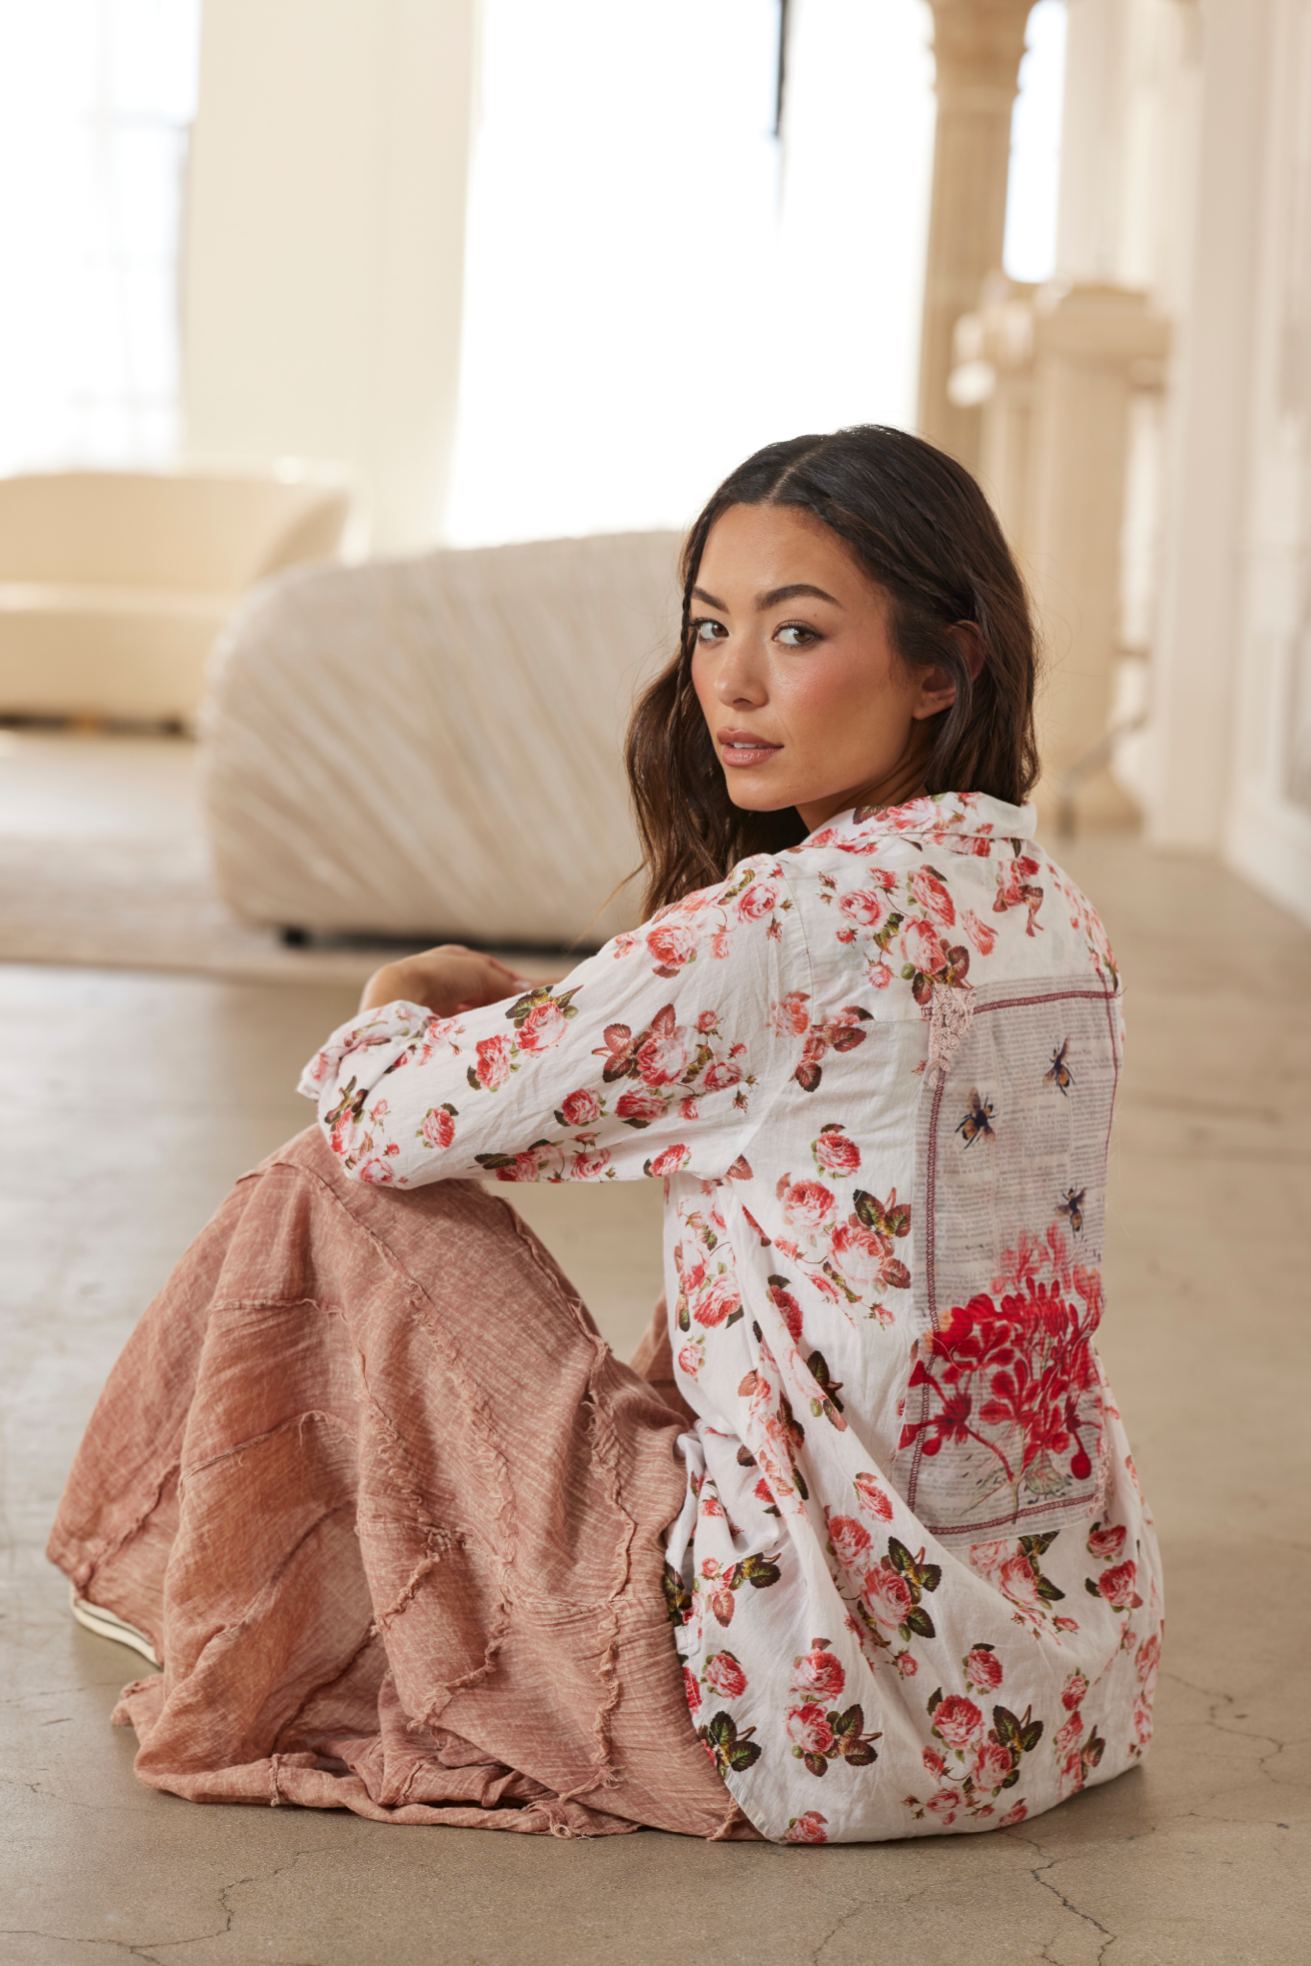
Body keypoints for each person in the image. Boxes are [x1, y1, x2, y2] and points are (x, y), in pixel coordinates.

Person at [49, 426, 1162, 1845]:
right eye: (709, 628)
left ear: (942, 667)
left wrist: (392, 1003)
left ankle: (162, 1563)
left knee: (331, 1182)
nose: (731, 683)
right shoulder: (1049, 901)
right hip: (1062, 1695)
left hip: (813, 1719)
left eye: (796, 631)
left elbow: (389, 1121)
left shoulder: (782, 926)